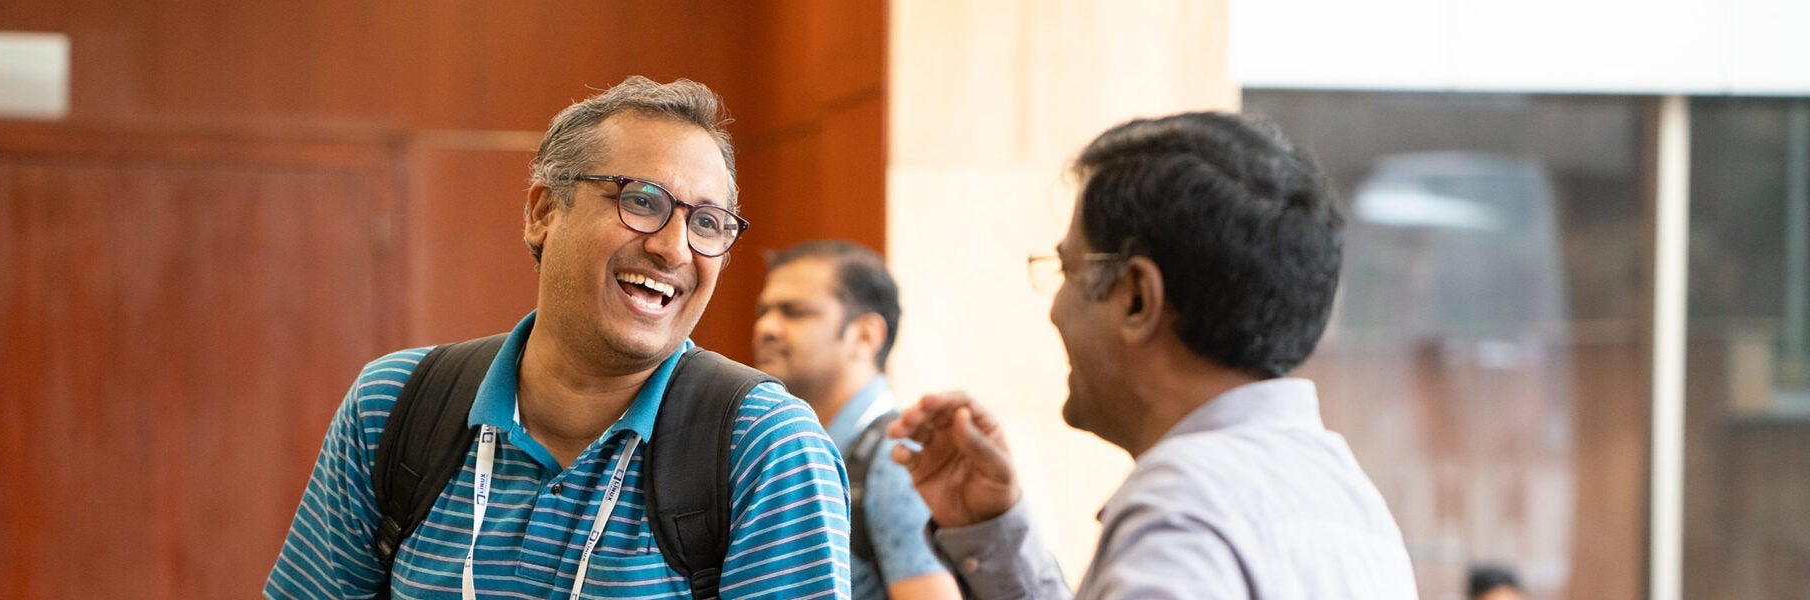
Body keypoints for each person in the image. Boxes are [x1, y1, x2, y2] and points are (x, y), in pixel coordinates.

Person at [266, 76, 851, 599]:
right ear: (544, 211)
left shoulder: (763, 448)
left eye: (706, 223)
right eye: (641, 201)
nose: (675, 249)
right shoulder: (396, 404)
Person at [888, 112, 1419, 598]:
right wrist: (997, 535)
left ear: (1137, 297)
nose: (1054, 310)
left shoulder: (1184, 514)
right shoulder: (1346, 498)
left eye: (1066, 270)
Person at [752, 240, 962, 600]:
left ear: (865, 335)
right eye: (764, 311)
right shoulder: (808, 446)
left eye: (794, 312)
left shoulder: (896, 458)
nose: (766, 327)